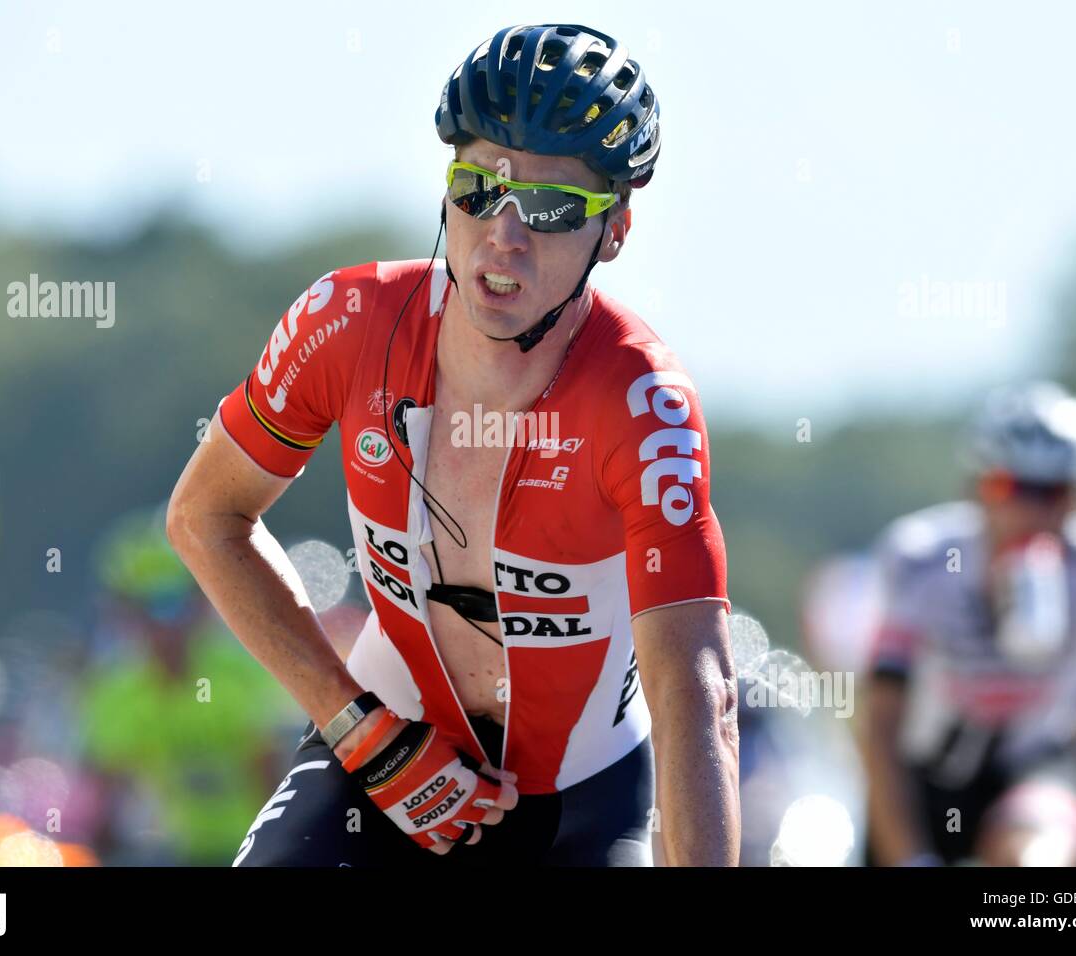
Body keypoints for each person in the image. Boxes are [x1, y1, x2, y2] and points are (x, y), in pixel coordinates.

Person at [167, 23, 738, 866]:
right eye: (479, 189)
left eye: (547, 207)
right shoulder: (346, 323)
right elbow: (205, 518)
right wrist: (358, 729)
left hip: (579, 803)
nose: (504, 235)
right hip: (379, 762)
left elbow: (698, 693)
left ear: (614, 230)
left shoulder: (642, 408)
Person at [862, 382, 1076, 866]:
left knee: (1036, 861)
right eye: (1010, 487)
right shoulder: (920, 558)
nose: (1030, 511)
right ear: (977, 486)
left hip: (1037, 760)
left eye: (1054, 492)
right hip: (924, 774)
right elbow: (879, 724)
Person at [78, 504, 300, 864]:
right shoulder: (116, 693)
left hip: (257, 848)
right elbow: (105, 805)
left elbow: (275, 782)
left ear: (202, 601)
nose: (162, 625)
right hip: (180, 854)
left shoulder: (243, 673)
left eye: (171, 603)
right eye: (143, 607)